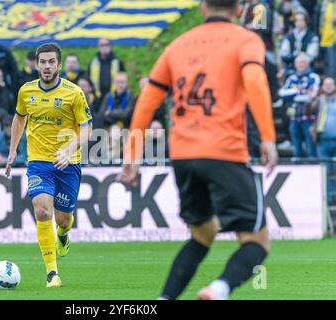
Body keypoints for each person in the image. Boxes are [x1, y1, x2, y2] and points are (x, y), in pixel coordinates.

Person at [118, 0, 277, 300]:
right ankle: (219, 290)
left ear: (203, 8)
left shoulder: (177, 45)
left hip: (183, 157)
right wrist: (268, 136)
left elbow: (147, 102)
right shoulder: (246, 39)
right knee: (256, 241)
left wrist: (132, 155)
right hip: (224, 153)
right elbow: (255, 81)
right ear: (241, 9)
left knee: (203, 234)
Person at [5, 43, 92, 288]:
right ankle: (52, 273)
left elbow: (87, 128)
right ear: (36, 64)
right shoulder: (26, 91)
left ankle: (63, 235)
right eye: (42, 62)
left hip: (68, 163)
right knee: (42, 210)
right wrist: (13, 150)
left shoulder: (73, 93)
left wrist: (68, 150)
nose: (46, 66)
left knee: (63, 219)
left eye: (51, 62)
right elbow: (19, 118)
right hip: (38, 162)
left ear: (59, 65)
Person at [279, 52, 320, 158]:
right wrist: (299, 91)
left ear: (308, 64)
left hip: (308, 118)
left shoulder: (313, 77)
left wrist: (294, 94)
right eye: (298, 63)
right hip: (293, 118)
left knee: (310, 148)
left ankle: (312, 170)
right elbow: (282, 93)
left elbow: (311, 96)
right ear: (295, 64)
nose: (300, 65)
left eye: (303, 62)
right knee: (296, 149)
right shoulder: (291, 78)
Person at [99, 72, 136, 162]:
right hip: (109, 128)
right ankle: (112, 160)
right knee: (113, 132)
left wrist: (110, 113)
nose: (120, 85)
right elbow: (102, 115)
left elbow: (127, 115)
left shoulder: (130, 96)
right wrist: (117, 115)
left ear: (127, 83)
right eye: (118, 82)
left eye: (122, 82)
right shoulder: (109, 96)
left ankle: (113, 161)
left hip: (126, 127)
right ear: (114, 83)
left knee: (116, 133)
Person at [313, 77, 336, 201]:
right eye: (325, 84)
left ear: (334, 86)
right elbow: (308, 110)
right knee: (324, 172)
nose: (328, 87)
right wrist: (312, 98)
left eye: (330, 84)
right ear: (322, 87)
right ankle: (327, 198)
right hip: (322, 142)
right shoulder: (318, 100)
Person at [280, 11, 319, 75]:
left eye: (301, 20)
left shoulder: (312, 37)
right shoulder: (289, 37)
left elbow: (311, 56)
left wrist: (301, 59)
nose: (299, 22)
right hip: (291, 69)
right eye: (297, 20)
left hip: (308, 71)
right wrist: (296, 56)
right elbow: (283, 54)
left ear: (306, 22)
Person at [88, 38, 125, 103]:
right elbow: (88, 79)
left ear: (111, 46)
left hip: (114, 97)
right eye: (102, 45)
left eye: (106, 45)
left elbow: (123, 79)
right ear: (98, 47)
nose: (104, 47)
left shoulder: (118, 62)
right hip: (96, 97)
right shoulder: (93, 62)